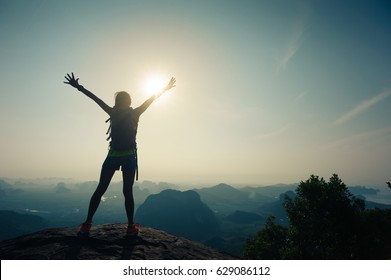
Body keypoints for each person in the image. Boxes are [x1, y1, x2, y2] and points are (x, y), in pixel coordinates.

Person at [64, 72, 176, 237]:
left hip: (113, 154)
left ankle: (87, 224)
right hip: (129, 155)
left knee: (100, 189)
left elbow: (95, 99)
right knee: (127, 192)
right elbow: (152, 99)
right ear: (129, 101)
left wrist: (79, 87)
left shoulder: (113, 112)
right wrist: (165, 88)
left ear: (117, 102)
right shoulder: (135, 113)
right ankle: (131, 227)